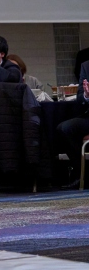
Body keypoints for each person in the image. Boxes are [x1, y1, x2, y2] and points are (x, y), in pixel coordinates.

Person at [56, 60, 89, 189]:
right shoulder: (86, 66)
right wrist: (86, 95)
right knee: (64, 128)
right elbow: (79, 97)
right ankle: (82, 174)